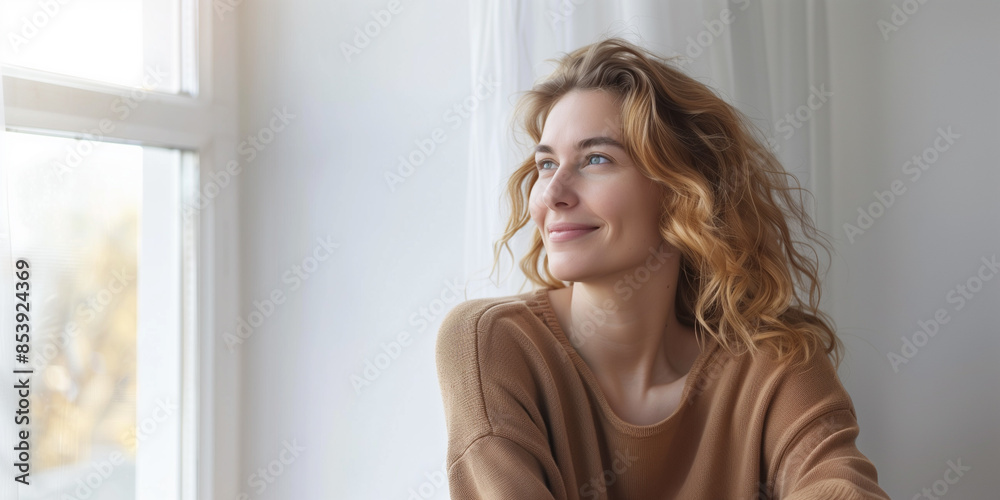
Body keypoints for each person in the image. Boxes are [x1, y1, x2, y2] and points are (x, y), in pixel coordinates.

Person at [435, 36, 890, 499]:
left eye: (596, 159)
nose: (552, 194)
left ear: (681, 192)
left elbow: (842, 489)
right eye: (547, 164)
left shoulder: (772, 363)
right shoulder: (493, 343)